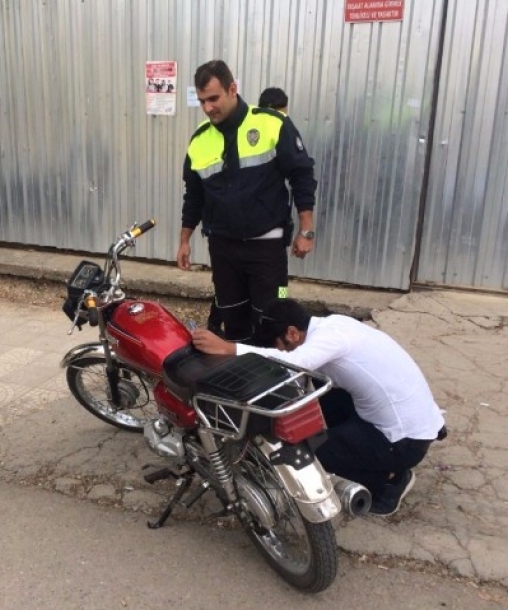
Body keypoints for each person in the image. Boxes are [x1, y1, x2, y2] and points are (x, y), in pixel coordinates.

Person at [191, 298, 447, 516]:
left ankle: (388, 483)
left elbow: (295, 362)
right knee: (320, 392)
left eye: (278, 345)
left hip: (403, 442)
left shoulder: (328, 341)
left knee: (310, 455)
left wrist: (229, 348)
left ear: (293, 333)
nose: (279, 350)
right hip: (413, 422)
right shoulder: (333, 323)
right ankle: (368, 455)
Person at [178, 60, 318, 343]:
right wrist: (184, 240)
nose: (208, 108)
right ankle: (240, 377)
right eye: (202, 101)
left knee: (276, 311)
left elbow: (302, 176)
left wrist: (307, 230)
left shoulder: (272, 124)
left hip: (268, 249)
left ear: (232, 89)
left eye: (214, 98)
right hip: (223, 249)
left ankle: (276, 376)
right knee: (232, 316)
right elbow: (193, 196)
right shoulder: (199, 141)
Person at [205, 84, 293, 335]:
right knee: (230, 289)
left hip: (275, 232)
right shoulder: (256, 133)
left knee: (280, 287)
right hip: (240, 237)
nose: (283, 119)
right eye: (280, 114)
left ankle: (280, 305)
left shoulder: (283, 133)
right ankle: (217, 319)